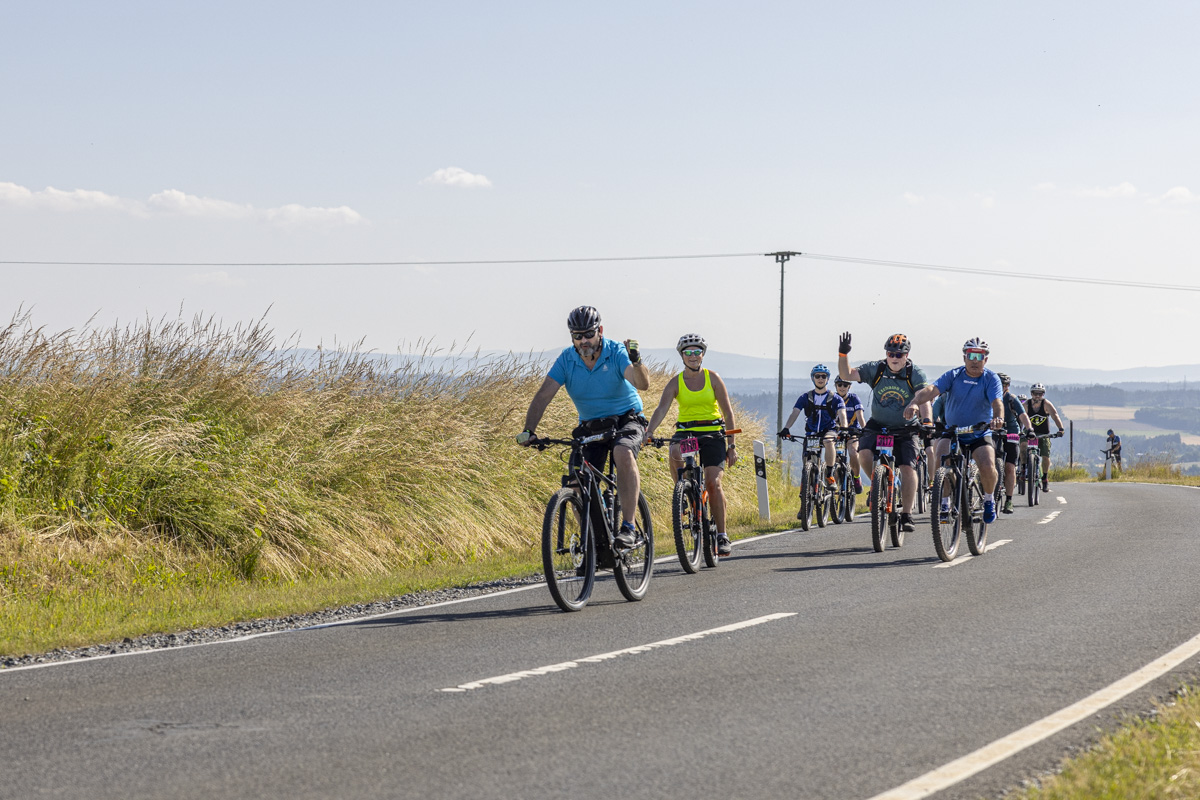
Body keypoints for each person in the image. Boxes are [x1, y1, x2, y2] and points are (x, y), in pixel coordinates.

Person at [517, 306, 650, 548]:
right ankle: (596, 542)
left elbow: (642, 384)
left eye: (589, 334)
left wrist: (637, 361)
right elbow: (543, 395)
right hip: (591, 426)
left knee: (622, 452)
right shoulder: (567, 359)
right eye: (577, 336)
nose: (583, 341)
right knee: (576, 482)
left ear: (600, 331)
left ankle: (629, 527)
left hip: (627, 419)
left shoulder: (616, 351)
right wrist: (529, 429)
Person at [644, 334, 738, 555]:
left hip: (712, 433)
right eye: (688, 352)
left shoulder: (713, 378)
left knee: (713, 483)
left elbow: (728, 413)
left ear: (702, 355)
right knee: (675, 449)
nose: (693, 356)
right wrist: (649, 432)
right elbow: (661, 409)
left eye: (697, 352)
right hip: (688, 432)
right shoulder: (675, 382)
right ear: (682, 356)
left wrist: (732, 445)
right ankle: (683, 492)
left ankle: (722, 535)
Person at [837, 332, 931, 533]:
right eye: (890, 354)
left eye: (899, 354)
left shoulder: (915, 373)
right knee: (863, 454)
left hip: (906, 428)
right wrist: (843, 354)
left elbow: (923, 399)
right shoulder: (877, 368)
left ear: (907, 355)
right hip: (878, 424)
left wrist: (927, 421)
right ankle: (877, 486)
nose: (894, 358)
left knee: (908, 468)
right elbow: (846, 375)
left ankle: (906, 514)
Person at [905, 337, 1005, 524]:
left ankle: (989, 499)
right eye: (971, 355)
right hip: (953, 431)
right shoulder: (954, 375)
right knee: (941, 457)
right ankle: (944, 503)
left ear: (985, 359)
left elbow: (997, 402)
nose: (975, 360)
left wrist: (998, 418)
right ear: (964, 357)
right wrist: (915, 403)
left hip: (979, 432)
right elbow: (932, 389)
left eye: (979, 356)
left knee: (987, 465)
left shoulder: (991, 378)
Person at [779, 364, 849, 506]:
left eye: (823, 376)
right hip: (811, 432)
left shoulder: (835, 398)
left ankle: (829, 475)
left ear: (827, 379)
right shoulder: (805, 397)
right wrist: (786, 428)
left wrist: (844, 428)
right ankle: (805, 504)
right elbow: (795, 412)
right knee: (807, 467)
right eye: (817, 376)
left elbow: (842, 414)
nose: (820, 379)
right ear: (813, 378)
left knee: (828, 441)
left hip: (829, 430)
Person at [995, 373, 1032, 514]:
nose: (1002, 387)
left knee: (1010, 467)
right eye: (999, 385)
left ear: (1007, 386)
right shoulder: (989, 396)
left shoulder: (1011, 399)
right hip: (993, 431)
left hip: (1011, 431)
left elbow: (1023, 415)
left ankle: (1009, 500)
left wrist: (1029, 429)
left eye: (1004, 385)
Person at [1024, 383, 1066, 492]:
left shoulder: (1046, 404)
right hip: (1030, 432)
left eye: (1040, 394)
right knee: (1022, 446)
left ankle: (1045, 478)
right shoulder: (1026, 405)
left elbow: (1055, 415)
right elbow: (1020, 418)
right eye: (1035, 393)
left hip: (1043, 433)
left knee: (1045, 456)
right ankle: (1023, 468)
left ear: (1043, 394)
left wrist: (1060, 428)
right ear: (1031, 394)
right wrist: (1018, 431)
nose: (1038, 396)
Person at [834, 376, 866, 494]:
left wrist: (865, 430)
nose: (842, 387)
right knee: (835, 458)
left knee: (853, 452)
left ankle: (856, 478)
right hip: (838, 432)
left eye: (845, 385)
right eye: (839, 385)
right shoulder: (833, 398)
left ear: (849, 387)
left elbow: (860, 416)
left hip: (853, 432)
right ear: (836, 386)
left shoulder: (854, 398)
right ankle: (833, 487)